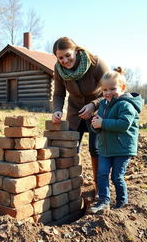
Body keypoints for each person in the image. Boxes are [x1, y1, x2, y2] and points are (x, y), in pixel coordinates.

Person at [52, 37, 109, 196]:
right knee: (70, 148)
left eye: (68, 55)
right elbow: (58, 93)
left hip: (97, 112)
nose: (65, 60)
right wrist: (57, 110)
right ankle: (71, 183)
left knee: (95, 149)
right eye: (60, 57)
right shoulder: (59, 69)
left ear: (76, 51)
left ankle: (99, 186)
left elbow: (112, 90)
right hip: (75, 114)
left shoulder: (96, 63)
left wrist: (94, 105)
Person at [88, 67, 142, 213]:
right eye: (105, 90)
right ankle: (104, 201)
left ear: (123, 88)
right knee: (102, 174)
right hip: (105, 148)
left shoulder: (125, 104)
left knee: (117, 176)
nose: (108, 93)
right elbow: (98, 125)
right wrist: (95, 125)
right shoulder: (104, 105)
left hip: (122, 148)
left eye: (112, 88)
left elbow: (124, 124)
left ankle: (121, 202)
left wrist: (103, 123)